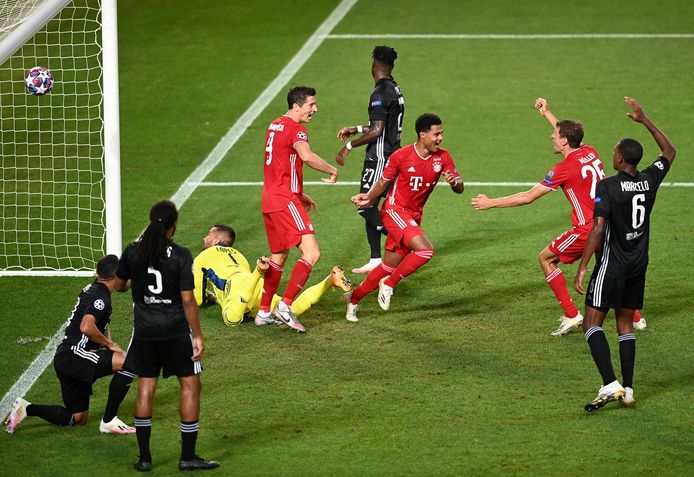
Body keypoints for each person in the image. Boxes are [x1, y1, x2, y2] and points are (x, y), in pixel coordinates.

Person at [471, 98, 606, 336]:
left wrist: (491, 203)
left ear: (564, 140)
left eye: (556, 134)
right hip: (606, 222)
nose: (551, 136)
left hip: (586, 228)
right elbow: (571, 136)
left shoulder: (562, 169)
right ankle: (636, 318)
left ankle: (572, 314)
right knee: (608, 266)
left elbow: (528, 197)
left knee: (546, 258)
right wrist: (547, 114)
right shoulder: (590, 152)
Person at [575, 97, 675, 412]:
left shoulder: (607, 187)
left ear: (619, 159)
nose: (613, 153)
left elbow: (598, 228)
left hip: (612, 265)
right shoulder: (649, 180)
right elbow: (669, 151)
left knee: (591, 323)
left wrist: (582, 266)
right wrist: (645, 120)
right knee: (625, 324)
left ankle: (610, 383)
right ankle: (628, 390)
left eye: (615, 151)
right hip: (638, 265)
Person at [116, 200, 218, 472]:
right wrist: (198, 335)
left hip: (145, 332)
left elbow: (120, 284)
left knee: (145, 388)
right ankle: (187, 457)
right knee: (190, 386)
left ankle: (144, 459)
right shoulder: (182, 255)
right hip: (175, 331)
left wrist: (135, 281)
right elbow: (188, 300)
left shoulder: (134, 251)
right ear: (174, 225)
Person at [345, 113, 464, 322]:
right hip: (394, 211)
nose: (441, 138)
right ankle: (389, 284)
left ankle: (353, 299)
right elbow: (383, 182)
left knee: (387, 267)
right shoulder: (401, 155)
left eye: (441, 134)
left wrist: (454, 182)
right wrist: (369, 198)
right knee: (425, 250)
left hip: (413, 216)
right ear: (423, 134)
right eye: (437, 134)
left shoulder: (443, 157)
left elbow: (460, 188)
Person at [5, 255, 135, 435]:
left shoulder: (95, 289)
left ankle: (26, 408)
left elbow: (100, 323)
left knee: (77, 418)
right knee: (129, 362)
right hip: (75, 355)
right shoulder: (101, 297)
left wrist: (108, 344)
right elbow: (87, 326)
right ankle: (109, 420)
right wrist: (110, 345)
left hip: (66, 358)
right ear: (115, 276)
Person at [260, 86, 338, 333]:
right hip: (284, 200)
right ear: (296, 105)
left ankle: (263, 312)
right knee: (312, 253)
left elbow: (279, 164)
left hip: (271, 198)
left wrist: (299, 193)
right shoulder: (296, 129)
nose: (315, 109)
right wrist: (332, 170)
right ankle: (285, 306)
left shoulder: (275, 125)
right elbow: (306, 157)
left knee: (279, 255)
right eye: (310, 105)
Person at [193, 224, 352, 326]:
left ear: (216, 240)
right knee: (289, 309)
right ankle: (329, 280)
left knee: (231, 320)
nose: (204, 238)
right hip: (254, 284)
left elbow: (197, 299)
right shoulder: (239, 255)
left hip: (236, 286)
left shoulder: (202, 257)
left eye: (208, 234)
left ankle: (258, 272)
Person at [336, 45, 405, 275]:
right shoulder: (394, 88)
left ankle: (406, 241)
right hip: (392, 153)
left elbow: (377, 130)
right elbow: (384, 124)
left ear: (374, 65)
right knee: (372, 205)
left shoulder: (379, 93)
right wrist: (356, 129)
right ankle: (376, 259)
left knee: (365, 205)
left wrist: (348, 146)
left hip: (380, 157)